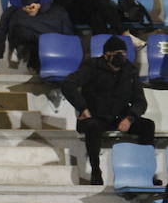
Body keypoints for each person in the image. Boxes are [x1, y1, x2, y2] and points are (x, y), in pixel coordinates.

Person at [60, 35, 154, 186]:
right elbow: (68, 84)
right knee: (92, 126)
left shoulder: (130, 71)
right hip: (95, 117)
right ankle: (96, 172)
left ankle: (146, 170)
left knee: (148, 125)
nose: (120, 57)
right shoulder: (91, 66)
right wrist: (82, 108)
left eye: (123, 53)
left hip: (120, 118)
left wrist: (130, 118)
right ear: (106, 55)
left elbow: (140, 101)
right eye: (116, 53)